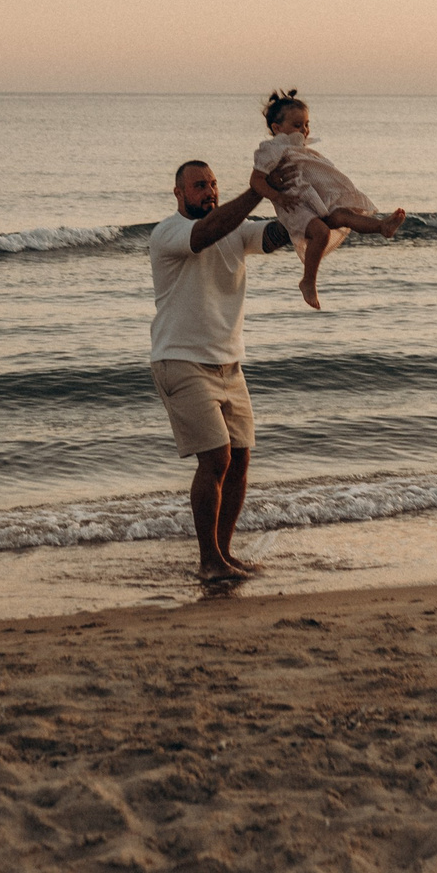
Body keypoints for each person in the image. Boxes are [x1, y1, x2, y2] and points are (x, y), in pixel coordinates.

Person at [148, 157, 293, 582]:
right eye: (198, 186)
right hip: (180, 359)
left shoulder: (235, 231)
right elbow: (206, 234)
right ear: (178, 193)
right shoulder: (169, 234)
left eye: (212, 184)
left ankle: (224, 555)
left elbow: (273, 235)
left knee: (240, 461)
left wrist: (298, 202)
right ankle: (208, 560)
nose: (208, 191)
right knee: (215, 459)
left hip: (230, 364)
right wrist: (256, 192)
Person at [253, 88, 406, 309]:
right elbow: (256, 180)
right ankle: (308, 281)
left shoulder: (300, 148)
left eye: (306, 124)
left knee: (344, 215)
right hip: (294, 207)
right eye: (297, 125)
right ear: (277, 128)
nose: (304, 130)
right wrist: (277, 196)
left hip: (314, 202)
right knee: (321, 233)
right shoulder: (270, 149)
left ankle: (382, 227)